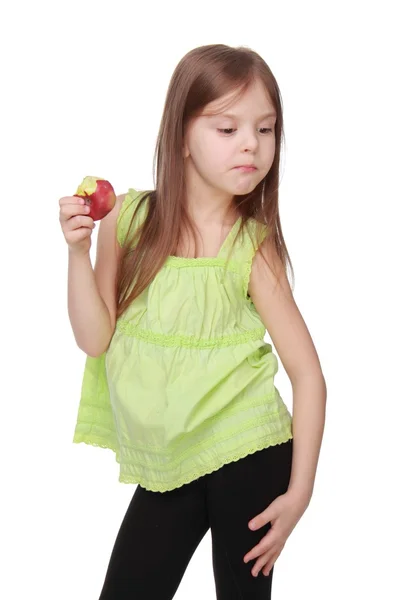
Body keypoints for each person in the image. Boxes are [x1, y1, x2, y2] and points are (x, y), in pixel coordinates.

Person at [59, 44, 327, 600]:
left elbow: (308, 375)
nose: (251, 143)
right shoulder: (128, 220)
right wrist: (77, 253)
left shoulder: (253, 246)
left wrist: (299, 493)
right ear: (181, 136)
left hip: (247, 447)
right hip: (169, 461)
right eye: (227, 128)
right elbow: (95, 338)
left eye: (266, 129)